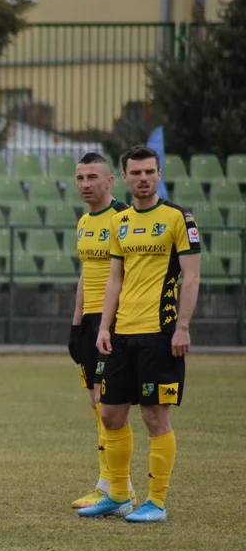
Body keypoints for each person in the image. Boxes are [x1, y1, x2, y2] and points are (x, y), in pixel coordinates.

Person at [79, 145, 201, 523]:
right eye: (136, 172)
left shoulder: (179, 218)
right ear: (126, 177)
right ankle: (117, 494)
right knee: (111, 415)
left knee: (154, 417)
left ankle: (157, 502)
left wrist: (181, 327)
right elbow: (115, 278)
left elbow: (192, 276)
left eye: (150, 171)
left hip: (160, 333)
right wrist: (104, 326)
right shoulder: (120, 222)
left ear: (159, 174)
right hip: (122, 333)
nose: (143, 178)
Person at [68, 153, 132, 509]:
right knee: (97, 404)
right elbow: (86, 273)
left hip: (115, 321)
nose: (85, 184)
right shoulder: (83, 222)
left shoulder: (122, 218)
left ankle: (120, 488)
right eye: (80, 178)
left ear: (110, 181)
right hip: (90, 321)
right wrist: (77, 321)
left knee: (109, 404)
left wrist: (110, 323)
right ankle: (107, 483)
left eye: (93, 177)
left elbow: (124, 275)